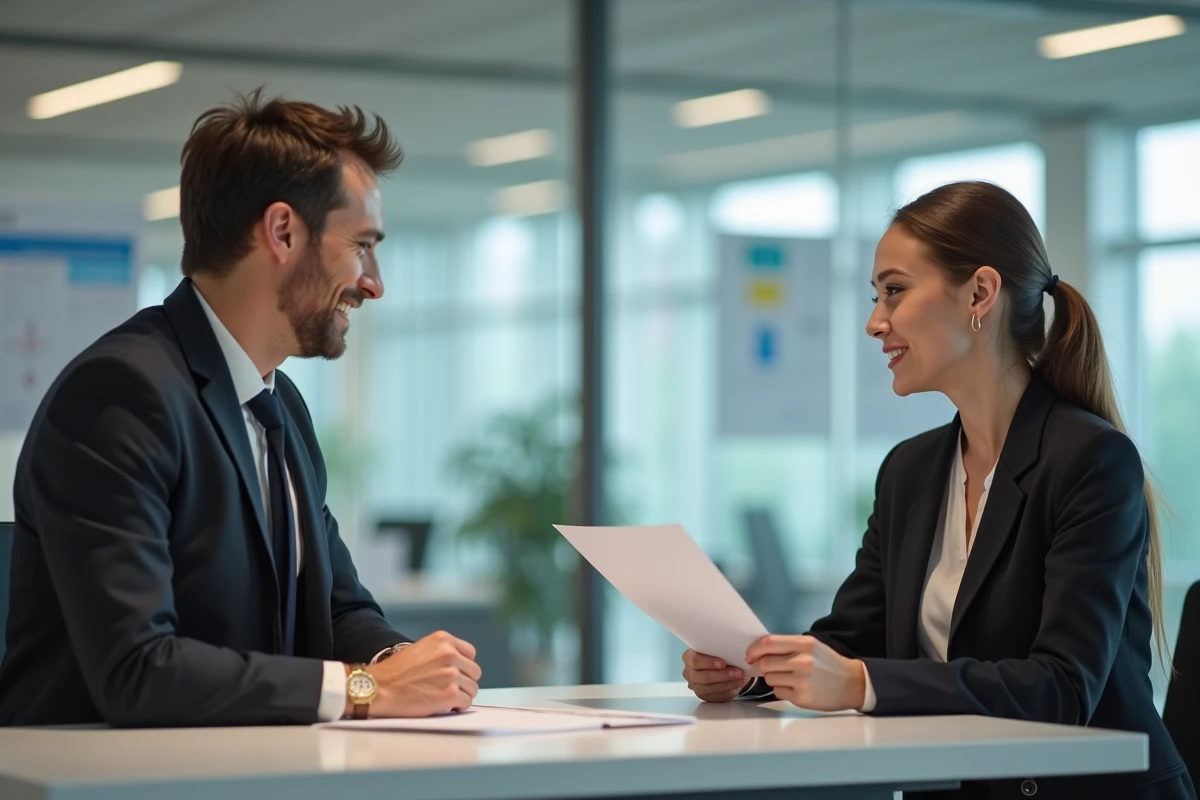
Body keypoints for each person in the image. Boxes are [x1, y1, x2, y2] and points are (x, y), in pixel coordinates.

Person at [682, 181, 1193, 799]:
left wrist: (860, 684)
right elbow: (852, 640)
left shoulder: (1089, 459)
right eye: (876, 296)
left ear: (980, 293)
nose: (875, 322)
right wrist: (752, 671)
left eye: (894, 291)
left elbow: (1062, 688)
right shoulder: (910, 470)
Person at [0, 91, 481, 727]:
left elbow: (336, 609)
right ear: (283, 231)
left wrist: (405, 663)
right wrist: (370, 689)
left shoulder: (279, 405)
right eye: (360, 244)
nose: (374, 282)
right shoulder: (121, 394)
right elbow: (138, 671)